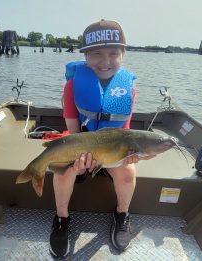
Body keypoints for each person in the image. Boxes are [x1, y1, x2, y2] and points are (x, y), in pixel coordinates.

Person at [49, 19, 152, 258]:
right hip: (81, 147)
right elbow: (73, 133)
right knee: (63, 172)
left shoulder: (129, 89)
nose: (105, 61)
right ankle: (61, 217)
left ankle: (122, 214)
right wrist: (82, 159)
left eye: (114, 54)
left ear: (123, 54)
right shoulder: (72, 86)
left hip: (114, 149)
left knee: (128, 172)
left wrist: (128, 156)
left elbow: (124, 129)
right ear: (85, 56)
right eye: (96, 54)